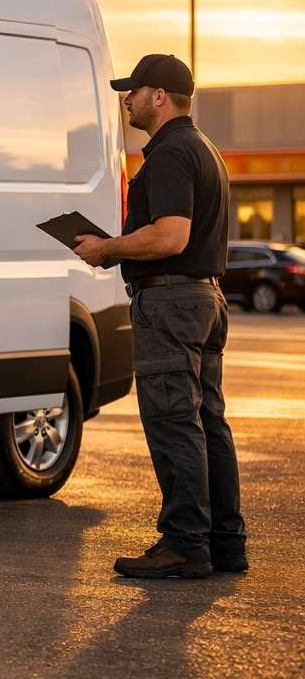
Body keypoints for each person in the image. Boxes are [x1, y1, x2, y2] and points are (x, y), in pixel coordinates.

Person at [72, 53, 246, 579]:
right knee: (207, 423)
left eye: (134, 91)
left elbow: (171, 236)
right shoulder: (204, 148)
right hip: (203, 299)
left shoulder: (170, 153)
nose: (127, 100)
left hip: (172, 304)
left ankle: (185, 544)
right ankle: (224, 544)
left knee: (174, 423)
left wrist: (107, 247)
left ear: (160, 97)